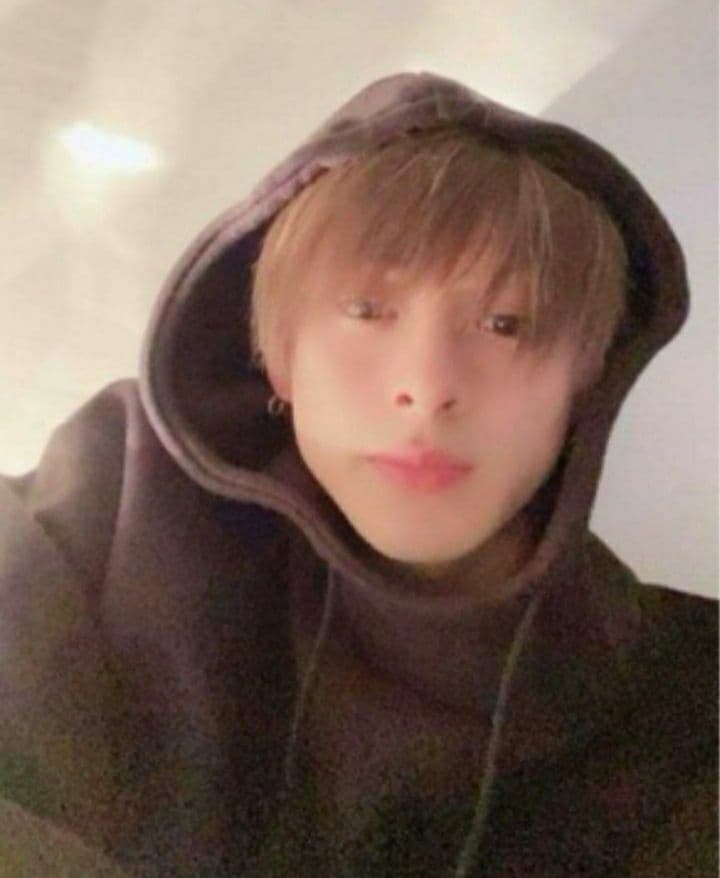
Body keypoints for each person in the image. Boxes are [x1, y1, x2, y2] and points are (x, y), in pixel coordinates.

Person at [0, 71, 716, 877]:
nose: (427, 387)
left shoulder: (687, 701)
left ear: (585, 385)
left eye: (505, 323)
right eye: (368, 311)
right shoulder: (111, 502)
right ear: (280, 358)